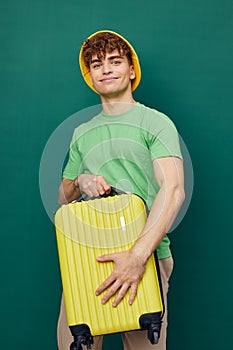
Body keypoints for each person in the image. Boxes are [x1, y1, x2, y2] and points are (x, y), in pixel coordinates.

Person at [57, 30, 185, 350]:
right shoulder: (81, 132)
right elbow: (64, 197)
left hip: (145, 253)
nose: (107, 69)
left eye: (115, 61)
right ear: (91, 75)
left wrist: (137, 256)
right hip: (89, 255)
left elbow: (173, 191)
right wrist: (81, 181)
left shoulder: (156, 123)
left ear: (131, 70)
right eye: (97, 64)